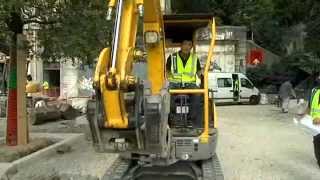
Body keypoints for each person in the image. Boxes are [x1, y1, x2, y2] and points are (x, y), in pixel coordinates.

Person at [166, 39, 203, 128]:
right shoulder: (172, 57)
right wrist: (169, 81)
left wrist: (201, 81)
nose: (186, 47)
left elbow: (199, 73)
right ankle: (173, 119)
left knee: (198, 94)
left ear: (191, 47)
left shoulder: (195, 58)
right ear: (181, 45)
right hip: (175, 83)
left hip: (190, 84)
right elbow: (166, 72)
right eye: (185, 44)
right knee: (166, 94)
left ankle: (191, 120)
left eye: (189, 45)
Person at [310, 75, 320, 167]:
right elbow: (311, 105)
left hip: (318, 120)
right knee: (316, 141)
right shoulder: (314, 90)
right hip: (315, 123)